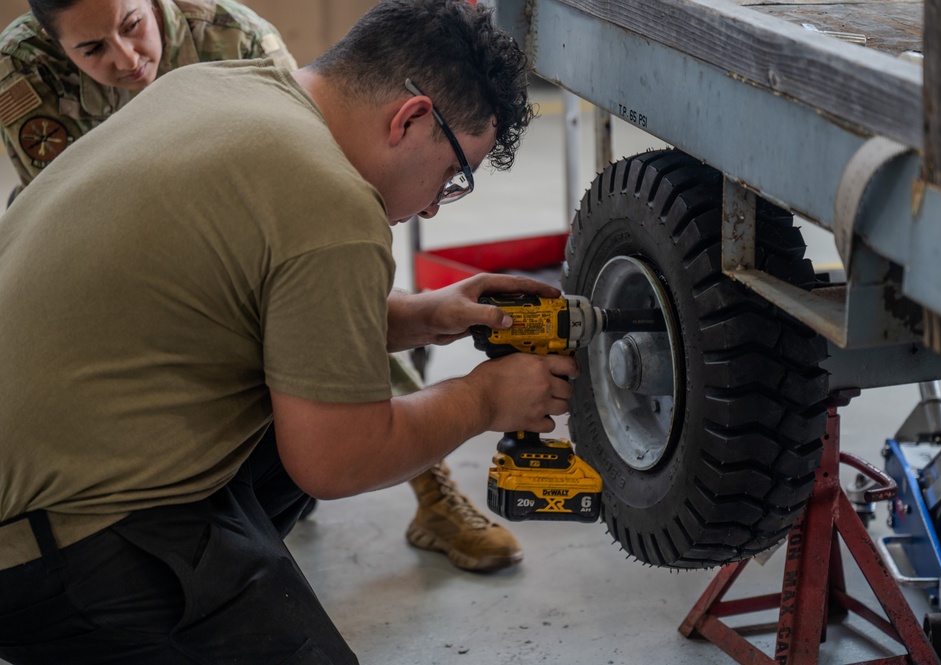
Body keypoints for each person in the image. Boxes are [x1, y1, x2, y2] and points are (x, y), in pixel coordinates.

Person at [0, 0, 576, 662]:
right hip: (49, 541)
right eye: (450, 177)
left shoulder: (219, 85)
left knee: (306, 404)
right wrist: (485, 399)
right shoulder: (332, 203)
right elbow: (339, 458)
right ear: (412, 118)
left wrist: (424, 314)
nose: (428, 206)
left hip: (39, 465)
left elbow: (242, 298)